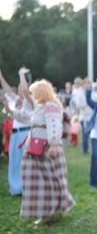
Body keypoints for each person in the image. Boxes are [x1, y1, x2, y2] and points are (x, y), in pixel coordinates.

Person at [19, 77, 75, 224]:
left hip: (46, 149)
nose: (32, 94)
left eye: (34, 92)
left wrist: (54, 144)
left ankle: (47, 213)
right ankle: (47, 211)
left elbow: (55, 125)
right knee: (43, 182)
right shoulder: (41, 106)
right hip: (37, 148)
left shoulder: (51, 105)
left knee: (48, 181)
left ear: (40, 92)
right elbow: (27, 117)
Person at [0, 68, 32, 196]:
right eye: (18, 88)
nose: (20, 89)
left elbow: (25, 89)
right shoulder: (16, 101)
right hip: (15, 134)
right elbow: (7, 89)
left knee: (26, 162)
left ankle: (27, 187)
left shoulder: (30, 101)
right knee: (14, 162)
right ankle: (16, 188)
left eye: (22, 88)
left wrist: (21, 75)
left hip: (25, 134)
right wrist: (1, 77)